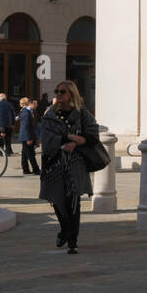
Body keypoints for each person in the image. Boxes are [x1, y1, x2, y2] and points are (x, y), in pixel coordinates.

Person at [39, 80, 101, 254]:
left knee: (73, 201)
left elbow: (92, 135)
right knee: (57, 200)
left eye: (62, 92)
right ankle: (65, 230)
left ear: (71, 95)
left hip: (75, 164)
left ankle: (72, 240)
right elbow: (46, 138)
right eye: (56, 91)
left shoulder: (82, 114)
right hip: (54, 163)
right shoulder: (50, 114)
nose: (58, 95)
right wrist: (66, 141)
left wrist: (79, 143)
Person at [18, 98, 40, 175]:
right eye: (35, 104)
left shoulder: (30, 112)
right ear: (31, 104)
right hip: (26, 136)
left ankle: (25, 169)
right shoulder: (26, 113)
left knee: (25, 154)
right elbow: (25, 126)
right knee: (31, 154)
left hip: (27, 136)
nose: (36, 105)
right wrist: (28, 138)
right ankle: (36, 169)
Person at [0, 92, 16, 157]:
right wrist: (13, 123)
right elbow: (13, 114)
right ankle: (8, 152)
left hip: (0, 126)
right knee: (8, 139)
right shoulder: (10, 105)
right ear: (5, 98)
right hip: (8, 125)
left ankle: (0, 152)